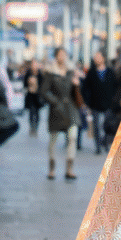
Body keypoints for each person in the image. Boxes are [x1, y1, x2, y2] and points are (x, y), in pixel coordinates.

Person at [41, 47, 80, 180]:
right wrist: (55, 101)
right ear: (56, 56)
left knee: (73, 138)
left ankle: (70, 168)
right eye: (60, 54)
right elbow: (44, 91)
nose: (62, 57)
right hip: (56, 111)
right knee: (53, 140)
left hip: (71, 109)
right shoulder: (50, 73)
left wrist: (77, 85)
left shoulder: (71, 71)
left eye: (64, 54)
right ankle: (52, 168)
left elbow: (79, 91)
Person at [82, 50, 120, 153]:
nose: (96, 59)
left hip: (108, 104)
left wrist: (114, 100)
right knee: (96, 126)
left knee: (107, 125)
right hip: (95, 104)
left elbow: (116, 87)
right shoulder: (91, 72)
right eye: (95, 57)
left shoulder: (110, 72)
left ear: (103, 58)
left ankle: (106, 144)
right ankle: (98, 147)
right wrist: (86, 101)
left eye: (98, 57)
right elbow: (85, 88)